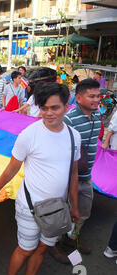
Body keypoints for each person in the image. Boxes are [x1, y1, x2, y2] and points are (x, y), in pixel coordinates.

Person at [0, 82, 81, 275]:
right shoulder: (29, 134)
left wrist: (74, 206)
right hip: (29, 205)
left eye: (55, 107)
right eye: (44, 107)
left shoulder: (73, 136)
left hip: (57, 208)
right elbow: (12, 167)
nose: (48, 113)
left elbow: (73, 173)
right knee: (26, 248)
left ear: (67, 106)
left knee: (43, 248)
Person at [49, 79, 102, 263]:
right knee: (61, 212)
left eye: (98, 95)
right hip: (68, 178)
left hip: (87, 177)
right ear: (78, 98)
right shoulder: (69, 120)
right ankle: (53, 245)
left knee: (83, 212)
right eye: (92, 96)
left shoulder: (97, 116)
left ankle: (71, 239)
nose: (96, 100)